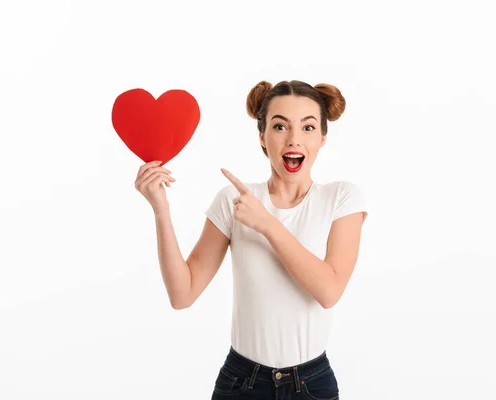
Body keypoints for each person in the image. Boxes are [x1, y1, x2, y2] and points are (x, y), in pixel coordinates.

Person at [135, 80, 368, 399]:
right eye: (280, 126)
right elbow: (182, 294)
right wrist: (160, 209)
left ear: (323, 138)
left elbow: (329, 291)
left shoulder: (341, 198)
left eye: (308, 127)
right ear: (262, 136)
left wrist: (267, 224)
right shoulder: (233, 200)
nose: (294, 139)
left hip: (311, 384)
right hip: (242, 381)